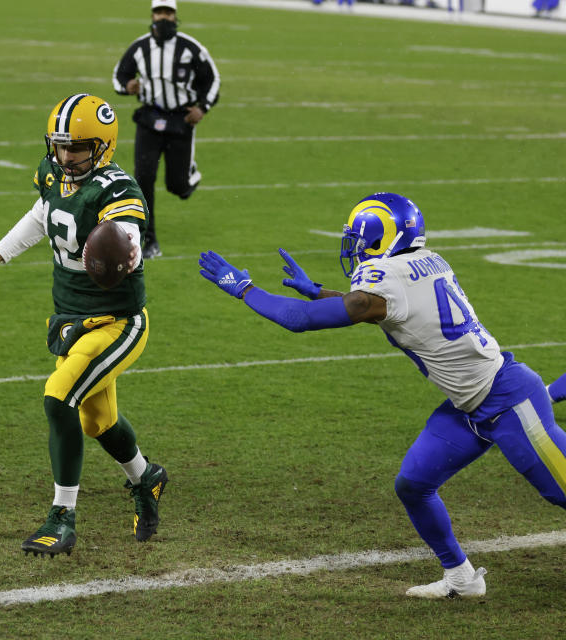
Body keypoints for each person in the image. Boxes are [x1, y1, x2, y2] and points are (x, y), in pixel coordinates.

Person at [198, 192, 566, 598]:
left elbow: (301, 321)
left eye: (359, 239)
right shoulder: (423, 262)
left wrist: (244, 288)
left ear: (382, 236)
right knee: (413, 484)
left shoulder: (387, 278)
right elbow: (377, 307)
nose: (355, 248)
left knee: (561, 492)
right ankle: (461, 578)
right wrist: (320, 292)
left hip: (508, 399)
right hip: (470, 404)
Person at [0, 94, 168, 558]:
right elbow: (42, 215)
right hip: (71, 318)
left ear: (103, 145)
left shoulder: (118, 189)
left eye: (78, 147)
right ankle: (146, 477)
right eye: (61, 146)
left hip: (117, 322)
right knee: (97, 420)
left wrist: (120, 251)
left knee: (58, 395)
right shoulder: (52, 174)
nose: (67, 156)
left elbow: (128, 233)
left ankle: (62, 517)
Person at [112, 0, 221, 260]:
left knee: (177, 186)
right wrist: (128, 86)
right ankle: (148, 240)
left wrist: (202, 108)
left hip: (180, 120)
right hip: (149, 119)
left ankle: (188, 176)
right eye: (159, 12)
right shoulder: (140, 47)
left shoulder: (190, 47)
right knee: (143, 178)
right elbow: (119, 75)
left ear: (175, 16)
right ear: (152, 14)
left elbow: (212, 80)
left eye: (168, 13)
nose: (163, 18)